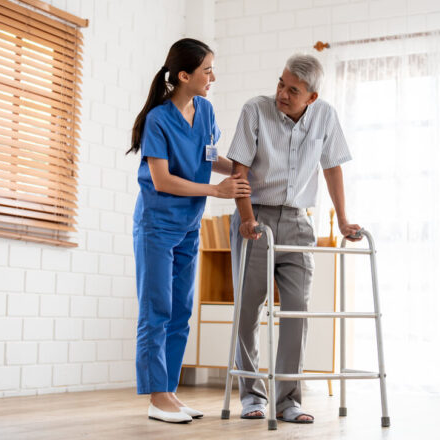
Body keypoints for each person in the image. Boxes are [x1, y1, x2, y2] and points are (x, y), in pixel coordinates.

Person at [227, 54, 361, 424]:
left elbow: (332, 167)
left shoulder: (325, 116)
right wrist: (247, 218)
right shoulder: (256, 110)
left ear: (311, 97)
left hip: (299, 222)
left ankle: (288, 400)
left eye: (293, 90)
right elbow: (239, 169)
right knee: (248, 310)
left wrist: (344, 221)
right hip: (255, 216)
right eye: (281, 84)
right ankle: (252, 395)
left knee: (297, 310)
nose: (282, 94)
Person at [128, 38, 250, 424]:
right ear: (184, 75)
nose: (212, 76)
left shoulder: (206, 110)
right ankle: (156, 397)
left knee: (181, 310)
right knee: (156, 310)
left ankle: (170, 393)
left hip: (188, 227)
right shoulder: (158, 120)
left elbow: (207, 156)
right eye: (206, 70)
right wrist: (216, 190)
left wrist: (243, 170)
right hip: (157, 225)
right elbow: (162, 181)